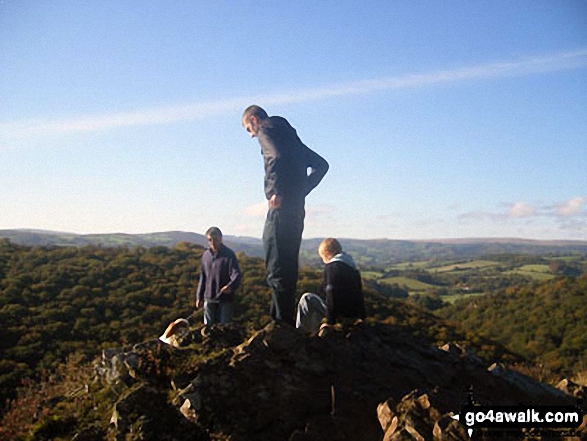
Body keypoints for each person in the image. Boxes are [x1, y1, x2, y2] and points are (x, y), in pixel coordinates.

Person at [242, 105, 329, 325]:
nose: (252, 135)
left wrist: (275, 191)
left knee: (276, 269)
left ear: (254, 119)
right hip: (297, 211)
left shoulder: (265, 130)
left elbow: (276, 157)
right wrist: (302, 190)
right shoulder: (292, 139)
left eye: (248, 129)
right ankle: (284, 323)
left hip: (280, 210)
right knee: (288, 268)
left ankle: (279, 326)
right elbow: (321, 165)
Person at [296, 238, 365, 333]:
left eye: (323, 257)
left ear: (327, 253)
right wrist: (362, 316)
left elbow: (331, 291)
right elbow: (359, 292)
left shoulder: (332, 267)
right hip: (352, 315)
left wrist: (330, 321)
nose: (323, 261)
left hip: (339, 314)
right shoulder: (352, 267)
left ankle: (302, 333)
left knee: (306, 298)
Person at [195, 227, 242, 325]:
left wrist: (230, 286)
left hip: (225, 299)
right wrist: (199, 296)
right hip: (209, 298)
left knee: (224, 328)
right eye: (210, 240)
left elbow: (236, 274)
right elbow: (203, 277)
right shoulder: (206, 256)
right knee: (207, 328)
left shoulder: (229, 255)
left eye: (215, 239)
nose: (213, 242)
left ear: (221, 239)